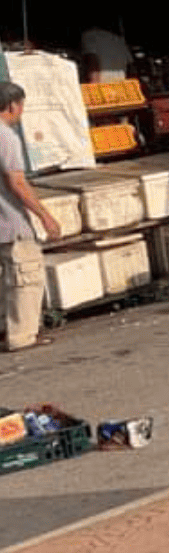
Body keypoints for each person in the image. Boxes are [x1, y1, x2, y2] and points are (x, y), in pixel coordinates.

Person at [0, 82, 63, 352]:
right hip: (10, 221)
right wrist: (45, 216)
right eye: (21, 106)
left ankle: (6, 329)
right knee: (25, 277)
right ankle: (22, 336)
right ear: (13, 105)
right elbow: (17, 183)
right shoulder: (7, 137)